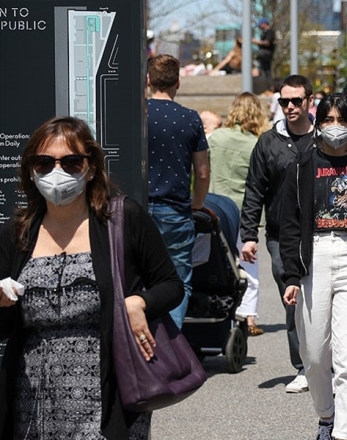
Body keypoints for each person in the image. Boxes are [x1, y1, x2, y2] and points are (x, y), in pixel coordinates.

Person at [0, 116, 184, 439]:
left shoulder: (122, 220)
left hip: (108, 391)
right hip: (32, 401)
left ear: (92, 167)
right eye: (44, 163)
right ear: (31, 170)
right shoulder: (17, 234)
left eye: (71, 162)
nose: (57, 172)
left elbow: (171, 284)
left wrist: (139, 302)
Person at [278, 92, 347, 440]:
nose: (335, 127)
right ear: (319, 123)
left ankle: (343, 433)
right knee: (313, 355)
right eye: (328, 120)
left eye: (342, 120)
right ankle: (326, 415)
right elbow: (289, 224)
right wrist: (291, 275)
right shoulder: (302, 164)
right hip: (315, 257)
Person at [240, 74, 315, 393]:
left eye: (296, 100)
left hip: (320, 233)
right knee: (293, 300)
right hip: (280, 235)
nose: (290, 106)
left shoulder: (323, 137)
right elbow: (254, 190)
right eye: (284, 101)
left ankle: (328, 363)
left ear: (309, 100)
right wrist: (248, 235)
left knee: (323, 301)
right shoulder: (268, 142)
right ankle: (303, 367)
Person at [147, 54, 211, 329]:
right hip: (174, 210)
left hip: (137, 210)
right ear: (178, 82)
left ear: (148, 80)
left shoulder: (135, 114)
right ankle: (170, 343)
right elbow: (203, 172)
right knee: (178, 280)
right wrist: (197, 203)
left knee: (138, 278)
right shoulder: (190, 119)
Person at [208, 92, 270, 336]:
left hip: (216, 209)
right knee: (248, 265)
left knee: (218, 262)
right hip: (246, 213)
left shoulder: (216, 138)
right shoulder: (258, 143)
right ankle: (248, 316)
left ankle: (220, 311)